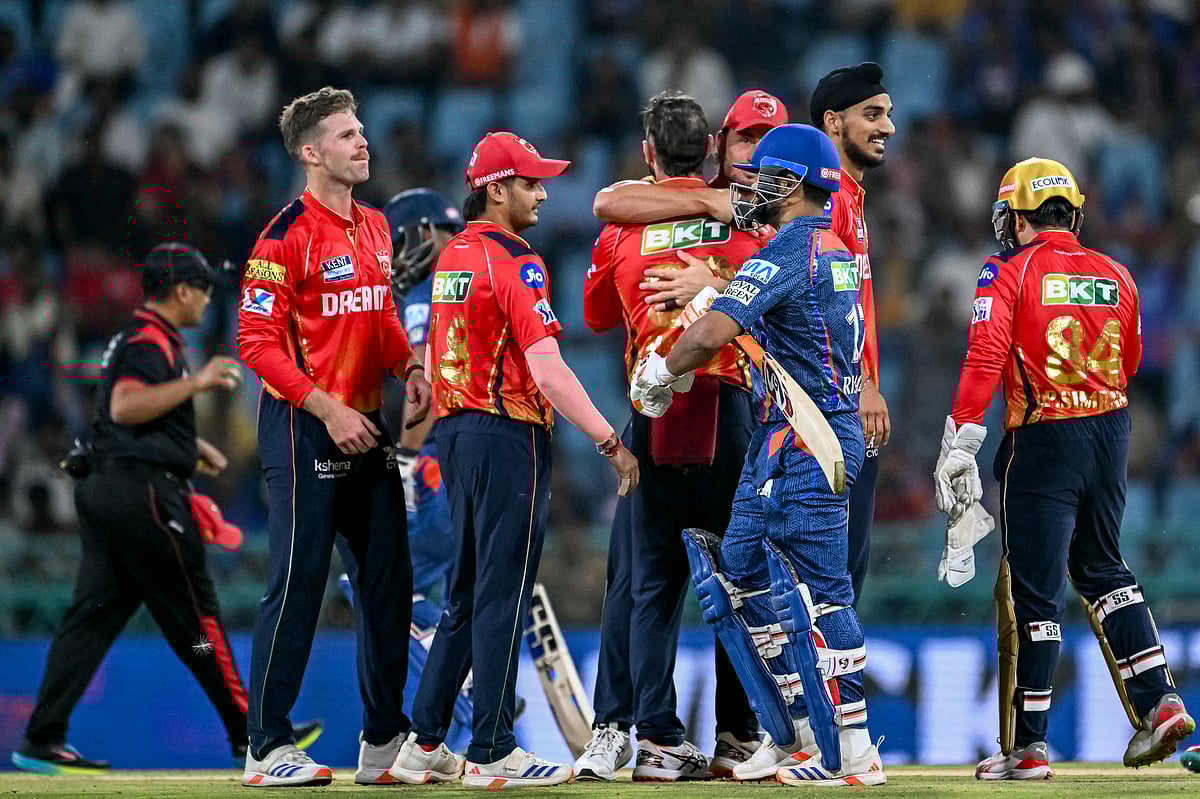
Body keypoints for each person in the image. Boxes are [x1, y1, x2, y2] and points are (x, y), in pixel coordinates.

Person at [631, 123, 885, 786]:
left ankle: (853, 747)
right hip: (786, 435)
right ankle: (792, 730)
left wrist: (661, 371)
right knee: (739, 574)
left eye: (766, 178)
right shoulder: (831, 247)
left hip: (809, 437)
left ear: (793, 184)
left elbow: (711, 333)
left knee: (823, 592)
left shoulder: (788, 251)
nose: (752, 190)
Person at [11, 243, 321, 774]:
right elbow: (124, 406)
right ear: (180, 291)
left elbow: (123, 420)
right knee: (197, 621)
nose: (207, 299)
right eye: (202, 289)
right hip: (146, 499)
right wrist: (198, 383)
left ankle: (42, 736)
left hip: (110, 490)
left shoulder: (137, 337)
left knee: (92, 618)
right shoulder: (151, 341)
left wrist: (185, 446)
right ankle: (255, 735)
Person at [389, 131, 639, 789]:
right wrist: (609, 441)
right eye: (530, 182)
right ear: (496, 189)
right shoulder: (516, 259)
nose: (543, 194)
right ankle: (493, 747)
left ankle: (424, 742)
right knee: (502, 592)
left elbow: (439, 358)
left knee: (467, 593)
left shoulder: (452, 257)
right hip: (509, 434)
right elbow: (548, 369)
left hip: (457, 434)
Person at [934, 157, 1195, 779]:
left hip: (1044, 436)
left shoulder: (1007, 270)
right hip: (1111, 430)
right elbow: (1130, 360)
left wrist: (962, 437)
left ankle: (1028, 747)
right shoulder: (1118, 272)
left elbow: (985, 355)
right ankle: (1160, 701)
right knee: (1104, 568)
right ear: (1073, 215)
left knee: (1036, 590)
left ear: (1019, 218)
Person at [582, 88, 787, 782]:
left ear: (648, 152)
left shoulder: (620, 228)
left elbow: (597, 314)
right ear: (710, 150)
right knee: (740, 574)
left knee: (653, 581)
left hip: (655, 405)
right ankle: (738, 734)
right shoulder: (744, 221)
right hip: (730, 405)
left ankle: (658, 737)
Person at [238, 87, 432, 788]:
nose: (362, 142)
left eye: (361, 131)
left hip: (365, 422)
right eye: (347, 135)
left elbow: (381, 318)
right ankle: (266, 745)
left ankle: (383, 742)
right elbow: (256, 343)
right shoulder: (283, 236)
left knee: (389, 585)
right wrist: (328, 411)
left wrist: (409, 366)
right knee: (298, 581)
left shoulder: (375, 225)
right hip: (305, 426)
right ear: (310, 152)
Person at [809, 63, 894, 609]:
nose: (888, 127)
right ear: (833, 122)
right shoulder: (830, 198)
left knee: (843, 580)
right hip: (835, 409)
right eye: (873, 114)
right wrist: (861, 384)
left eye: (888, 114)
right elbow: (823, 301)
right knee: (832, 587)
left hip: (845, 409)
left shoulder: (851, 198)